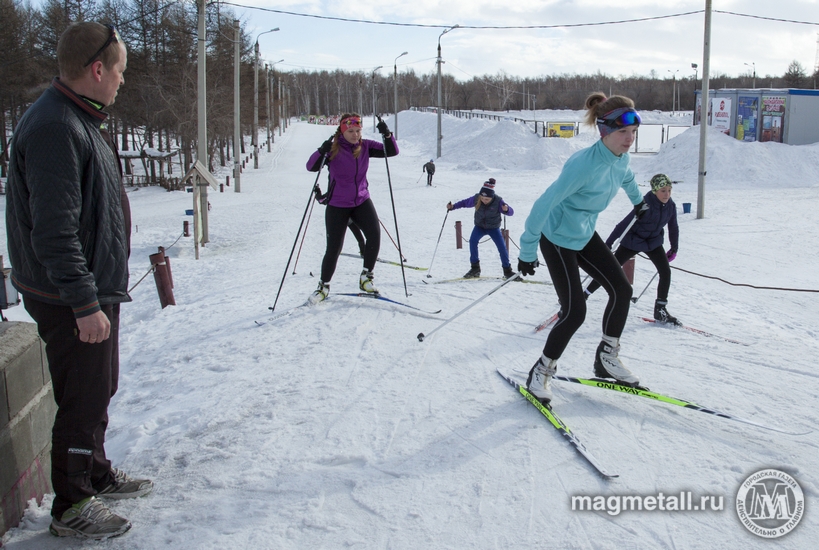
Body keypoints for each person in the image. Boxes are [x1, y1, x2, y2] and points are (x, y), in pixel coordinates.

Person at [4, 22, 152, 540]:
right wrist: (84, 303)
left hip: (89, 288)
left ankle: (92, 473)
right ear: (97, 69)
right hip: (70, 295)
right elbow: (54, 229)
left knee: (98, 386)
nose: (121, 82)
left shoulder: (79, 117)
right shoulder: (53, 127)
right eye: (120, 72)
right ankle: (72, 503)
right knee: (82, 397)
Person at [517, 92, 648, 403]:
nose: (629, 139)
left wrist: (639, 202)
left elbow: (626, 177)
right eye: (622, 132)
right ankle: (541, 371)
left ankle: (607, 356)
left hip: (584, 233)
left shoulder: (620, 158)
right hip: (558, 238)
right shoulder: (582, 165)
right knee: (575, 311)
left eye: (633, 132)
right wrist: (527, 250)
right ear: (604, 130)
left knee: (622, 289)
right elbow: (544, 204)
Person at [306, 113, 398, 303]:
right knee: (334, 248)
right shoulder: (332, 149)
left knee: (374, 234)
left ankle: (366, 277)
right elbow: (311, 166)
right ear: (342, 130)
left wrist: (388, 135)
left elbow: (391, 151)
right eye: (351, 131)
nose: (355, 135)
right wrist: (321, 151)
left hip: (361, 201)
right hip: (337, 205)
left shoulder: (365, 146)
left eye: (358, 131)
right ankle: (323, 286)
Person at [586, 173, 680, 324]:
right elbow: (622, 225)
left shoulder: (670, 206)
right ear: (655, 190)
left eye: (669, 190)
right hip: (633, 241)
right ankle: (585, 293)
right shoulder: (644, 204)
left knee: (665, 271)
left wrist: (674, 247)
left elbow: (673, 226)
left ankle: (660, 310)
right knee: (611, 269)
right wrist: (608, 244)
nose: (667, 194)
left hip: (653, 242)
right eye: (663, 190)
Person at [447, 178, 515, 279]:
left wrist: (507, 209)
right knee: (472, 242)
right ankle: (475, 268)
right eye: (482, 198)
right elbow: (464, 203)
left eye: (487, 199)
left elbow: (511, 212)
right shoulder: (476, 198)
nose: (484, 201)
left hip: (493, 228)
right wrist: (452, 207)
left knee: (502, 248)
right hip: (479, 227)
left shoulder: (498, 201)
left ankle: (507, 271)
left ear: (492, 197)